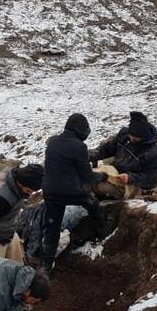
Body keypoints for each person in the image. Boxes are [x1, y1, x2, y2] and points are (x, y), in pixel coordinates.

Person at [42, 113, 124, 273]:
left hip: (50, 192)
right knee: (92, 204)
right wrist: (104, 175)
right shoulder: (79, 147)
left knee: (52, 228)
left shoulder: (53, 143)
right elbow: (87, 176)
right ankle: (100, 232)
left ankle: (46, 266)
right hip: (71, 191)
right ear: (80, 130)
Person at [0, 163, 43, 263]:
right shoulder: (1, 200)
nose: (30, 194)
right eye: (28, 190)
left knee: (17, 267)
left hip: (8, 233)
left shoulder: (10, 174)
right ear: (21, 183)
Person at [89, 111, 157, 192]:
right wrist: (84, 155)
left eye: (136, 138)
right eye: (131, 135)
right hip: (114, 170)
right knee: (92, 176)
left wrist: (130, 178)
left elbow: (151, 178)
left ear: (144, 137)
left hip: (133, 184)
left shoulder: (155, 152)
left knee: (103, 187)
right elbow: (105, 149)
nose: (131, 139)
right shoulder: (124, 135)